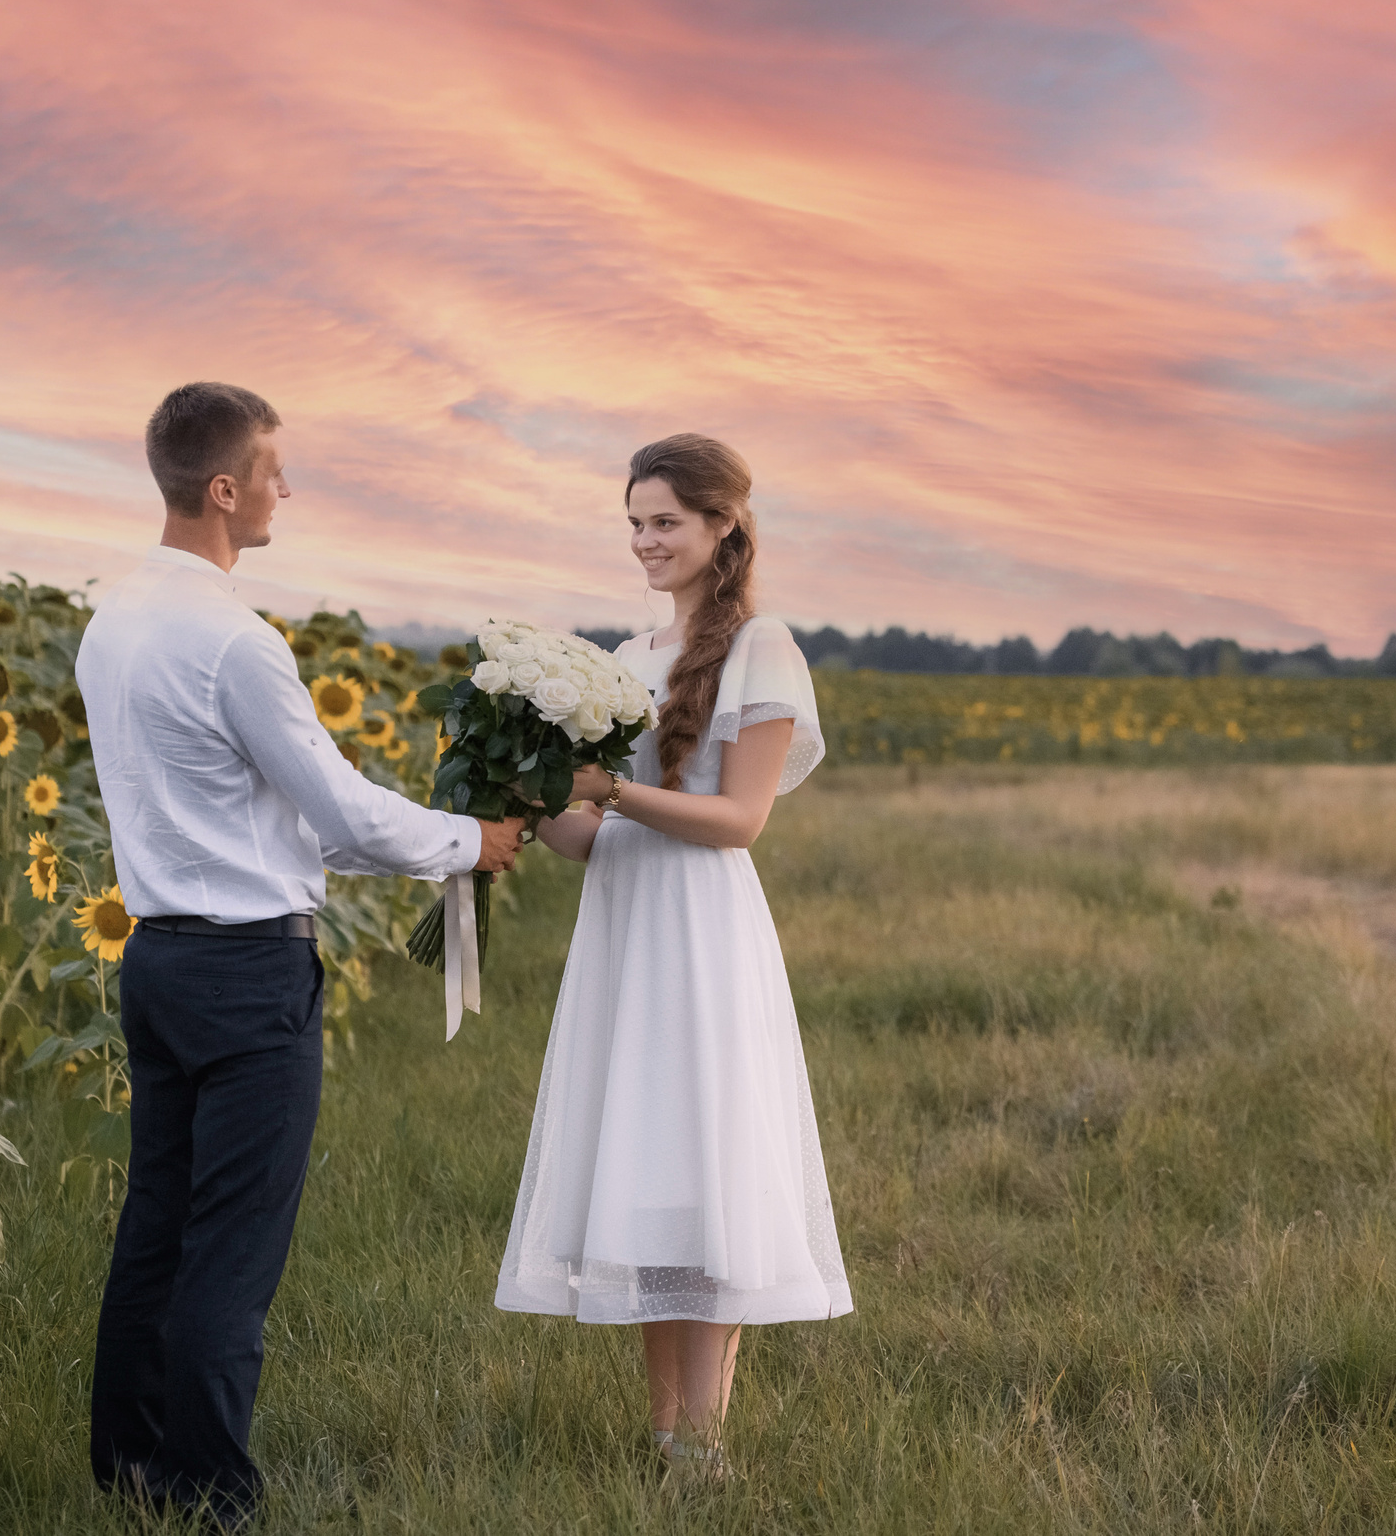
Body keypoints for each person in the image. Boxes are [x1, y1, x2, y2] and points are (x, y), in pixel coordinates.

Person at [78, 381, 524, 1523]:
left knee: (156, 1223)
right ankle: (209, 1495)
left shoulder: (113, 621)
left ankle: (128, 1471)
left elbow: (255, 815)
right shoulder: (237, 643)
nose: (289, 488)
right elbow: (340, 811)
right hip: (246, 973)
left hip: (157, 960)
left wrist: (441, 845)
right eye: (276, 470)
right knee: (232, 1248)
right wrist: (470, 842)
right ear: (227, 489)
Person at [494, 432, 851, 1472]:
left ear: (722, 524)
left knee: (710, 1167)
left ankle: (706, 1440)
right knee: (649, 1171)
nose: (645, 541)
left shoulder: (761, 647)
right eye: (634, 524)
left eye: (665, 522)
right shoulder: (625, 658)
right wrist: (528, 789)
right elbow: (588, 838)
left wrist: (611, 789)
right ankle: (669, 1439)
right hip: (625, 926)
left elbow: (740, 820)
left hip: (701, 928)